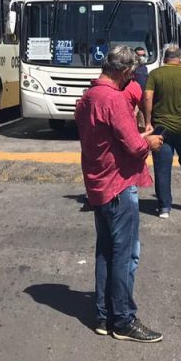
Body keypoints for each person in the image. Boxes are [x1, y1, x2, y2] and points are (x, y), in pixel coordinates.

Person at [75, 44, 164, 342]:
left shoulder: (88, 97)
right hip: (118, 185)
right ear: (125, 72)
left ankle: (103, 315)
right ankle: (123, 319)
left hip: (98, 183)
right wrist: (149, 142)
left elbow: (107, 139)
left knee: (105, 252)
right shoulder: (112, 99)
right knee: (125, 255)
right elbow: (136, 146)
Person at [142, 44, 181, 218]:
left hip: (161, 128)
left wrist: (148, 122)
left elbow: (147, 96)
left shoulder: (155, 74)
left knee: (162, 167)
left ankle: (164, 208)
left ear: (164, 59)